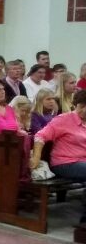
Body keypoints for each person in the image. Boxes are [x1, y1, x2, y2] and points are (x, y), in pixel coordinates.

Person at [30, 91, 86, 222]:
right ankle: (84, 221)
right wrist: (36, 157)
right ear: (75, 105)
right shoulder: (64, 119)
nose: (84, 110)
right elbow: (40, 136)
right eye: (81, 106)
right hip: (64, 163)